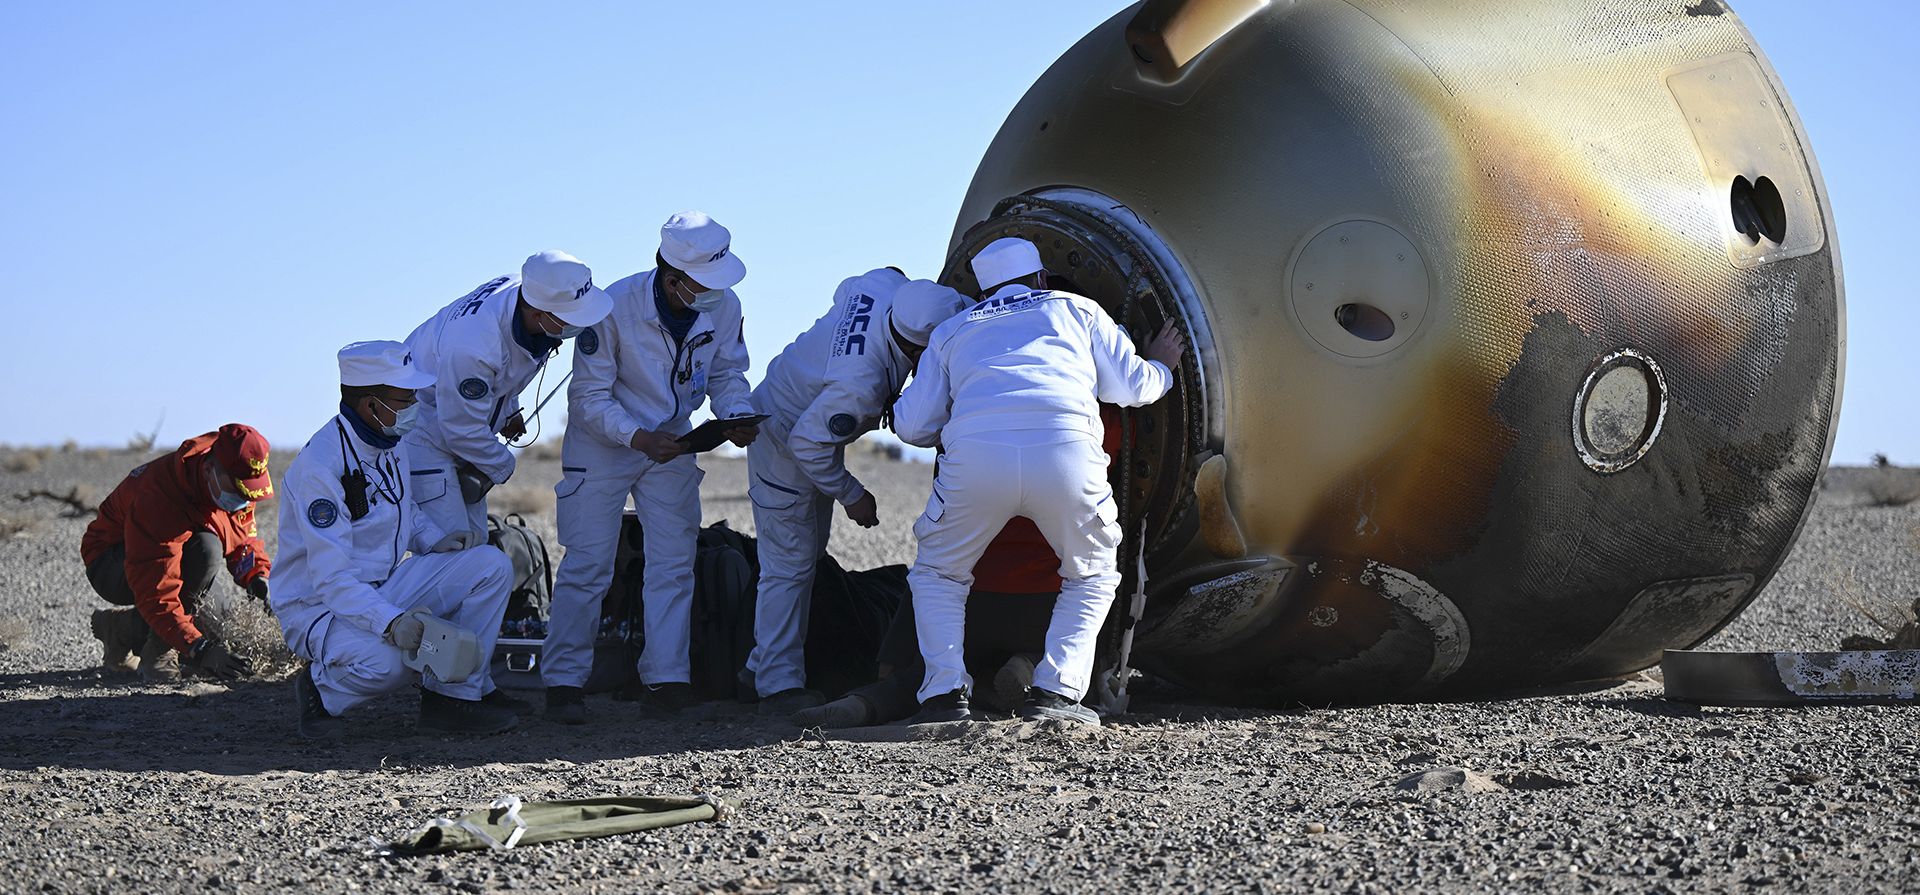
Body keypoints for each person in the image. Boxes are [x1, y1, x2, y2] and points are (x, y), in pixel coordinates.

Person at [892, 236, 1186, 726]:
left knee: (939, 575)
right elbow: (1132, 389)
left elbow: (913, 427)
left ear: (983, 293)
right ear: (1042, 279)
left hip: (977, 457)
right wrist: (1160, 365)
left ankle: (943, 696)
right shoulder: (1078, 309)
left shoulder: (952, 330)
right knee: (1091, 573)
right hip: (1065, 451)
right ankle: (1055, 694)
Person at [544, 212, 760, 724]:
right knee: (589, 565)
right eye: (704, 285)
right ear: (671, 279)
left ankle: (666, 680)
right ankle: (563, 684)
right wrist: (637, 437)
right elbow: (588, 397)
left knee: (673, 563)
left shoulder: (723, 305)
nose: (715, 294)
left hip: (674, 441)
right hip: (604, 446)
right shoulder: (612, 308)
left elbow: (728, 373)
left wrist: (735, 415)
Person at [744, 270, 968, 714]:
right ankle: (775, 686)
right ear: (916, 349)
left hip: (801, 423)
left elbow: (849, 286)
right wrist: (852, 494)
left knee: (804, 560)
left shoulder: (887, 288)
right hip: (782, 440)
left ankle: (760, 665)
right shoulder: (859, 386)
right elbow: (807, 443)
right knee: (788, 566)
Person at [274, 341, 520, 740]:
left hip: (382, 588)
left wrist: (435, 541)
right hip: (321, 608)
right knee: (395, 663)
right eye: (406, 399)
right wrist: (391, 622)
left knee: (491, 566)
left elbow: (403, 506)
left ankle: (453, 699)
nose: (414, 408)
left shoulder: (388, 441)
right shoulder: (320, 468)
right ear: (371, 405)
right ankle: (321, 691)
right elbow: (332, 581)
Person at [401, 250, 613, 540]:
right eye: (571, 318)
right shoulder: (472, 349)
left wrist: (508, 413)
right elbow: (461, 430)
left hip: (457, 427)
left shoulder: (527, 294)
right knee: (450, 550)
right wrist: (504, 463)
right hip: (424, 435)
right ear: (539, 314)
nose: (579, 325)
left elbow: (500, 376)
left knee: (474, 543)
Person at [80, 424, 273, 682]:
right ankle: (158, 653)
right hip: (112, 562)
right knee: (206, 552)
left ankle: (121, 629)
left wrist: (257, 575)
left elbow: (241, 536)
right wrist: (198, 648)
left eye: (249, 493)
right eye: (238, 490)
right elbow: (156, 590)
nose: (244, 499)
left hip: (178, 555)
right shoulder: (160, 497)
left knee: (221, 629)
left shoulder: (231, 475)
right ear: (208, 470)